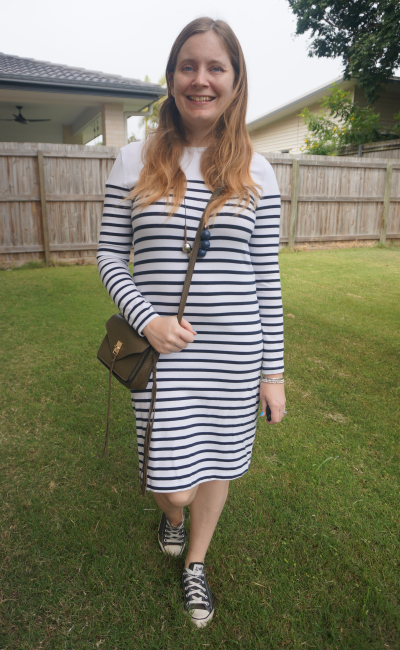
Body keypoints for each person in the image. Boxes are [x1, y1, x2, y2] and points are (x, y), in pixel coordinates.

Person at [97, 16, 286, 628]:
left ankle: (196, 561)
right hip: (159, 356)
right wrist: (146, 319)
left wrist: (273, 373)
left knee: (220, 465)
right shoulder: (133, 159)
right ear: (172, 77)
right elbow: (106, 254)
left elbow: (266, 280)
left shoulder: (259, 170)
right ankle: (172, 516)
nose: (200, 80)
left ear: (235, 81)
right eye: (188, 66)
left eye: (215, 68)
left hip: (233, 356)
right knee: (173, 482)